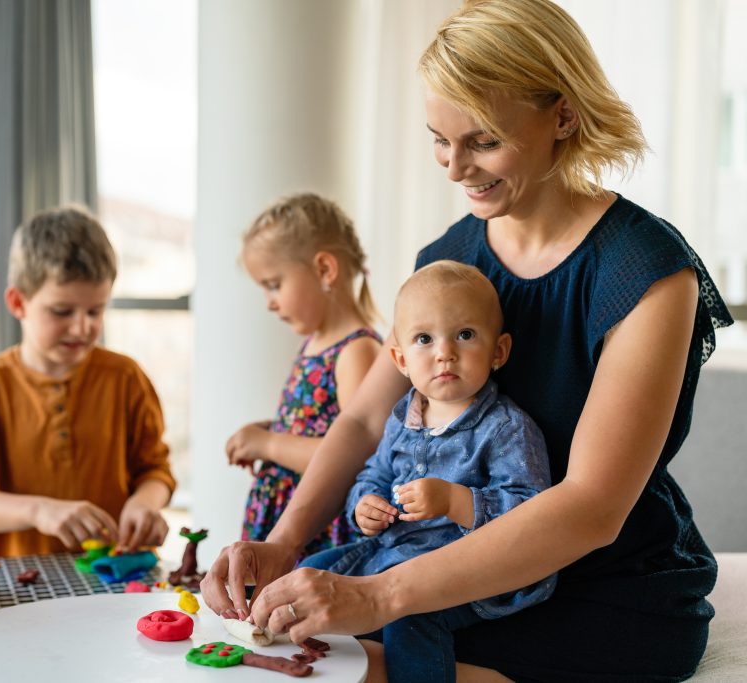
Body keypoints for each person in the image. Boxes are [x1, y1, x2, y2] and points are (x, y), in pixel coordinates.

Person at [201, 1, 734, 681]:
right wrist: (282, 542)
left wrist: (377, 594)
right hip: (440, 570)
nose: (454, 168)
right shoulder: (448, 260)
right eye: (438, 139)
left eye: (482, 141)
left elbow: (592, 506)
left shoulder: (646, 270)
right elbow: (364, 418)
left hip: (604, 588)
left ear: (563, 116)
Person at [298, 260, 555, 682]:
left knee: (409, 619)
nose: (444, 352)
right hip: (390, 553)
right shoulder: (402, 418)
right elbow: (374, 475)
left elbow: (533, 514)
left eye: (465, 335)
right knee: (310, 572)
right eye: (424, 338)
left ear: (499, 351)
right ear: (400, 358)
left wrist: (457, 501)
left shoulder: (507, 428)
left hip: (463, 574)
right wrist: (365, 505)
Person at [0, 205, 175, 557]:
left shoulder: (126, 379)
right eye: (62, 311)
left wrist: (144, 502)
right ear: (18, 302)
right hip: (25, 585)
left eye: (95, 311)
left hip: (120, 580)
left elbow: (155, 469)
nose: (82, 327)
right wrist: (39, 511)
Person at [228, 193, 382, 562]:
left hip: (317, 535)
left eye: (274, 284)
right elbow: (319, 426)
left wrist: (268, 444)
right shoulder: (315, 343)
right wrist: (271, 429)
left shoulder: (356, 351)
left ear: (325, 269)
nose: (269, 301)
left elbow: (354, 458)